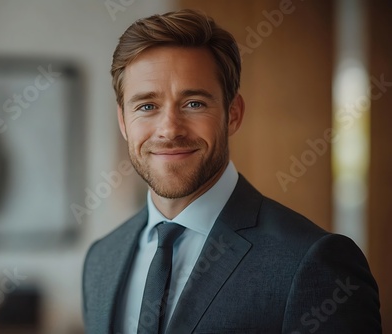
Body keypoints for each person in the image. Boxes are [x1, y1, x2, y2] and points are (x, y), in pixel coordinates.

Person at [82, 9, 381, 334]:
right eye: (146, 106)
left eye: (193, 103)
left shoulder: (314, 263)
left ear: (233, 114)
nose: (169, 130)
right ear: (123, 122)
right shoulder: (101, 260)